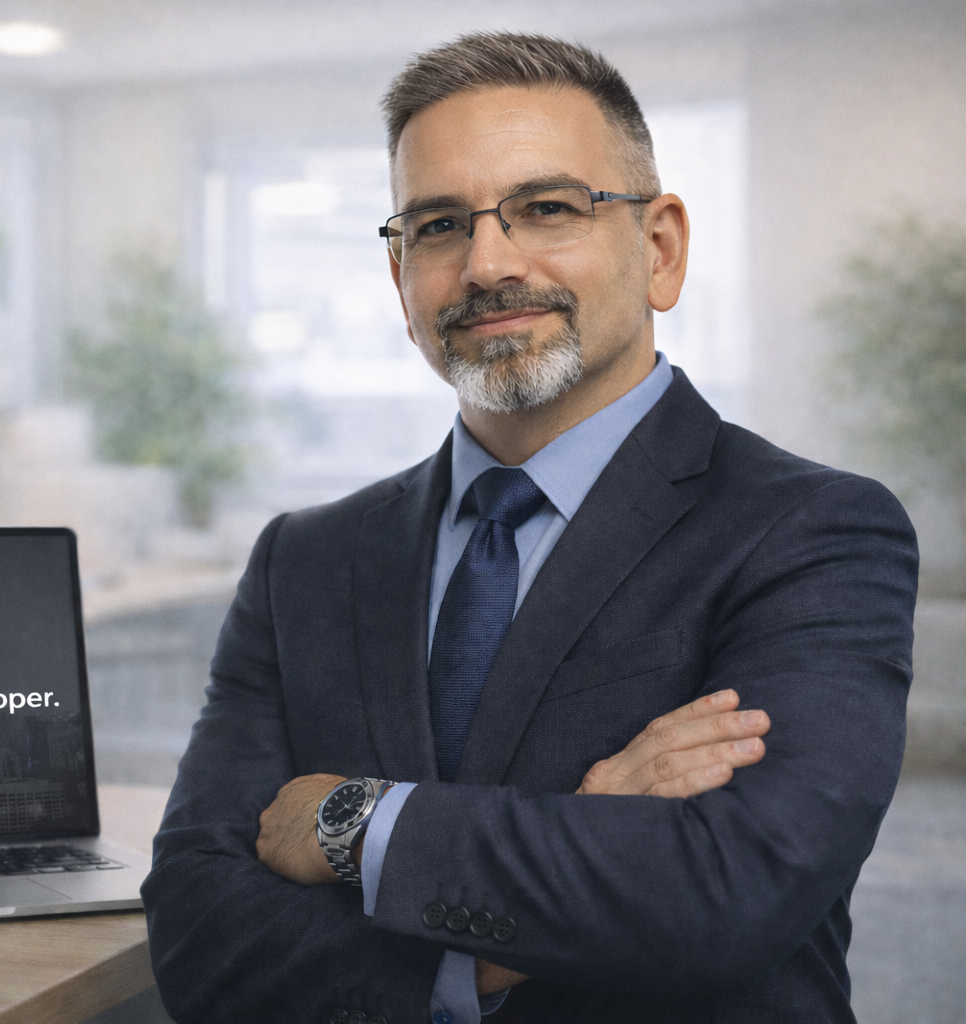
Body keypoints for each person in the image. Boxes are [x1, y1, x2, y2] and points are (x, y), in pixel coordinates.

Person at [141, 31, 917, 1024]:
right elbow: (203, 937)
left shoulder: (815, 532)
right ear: (400, 280)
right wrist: (573, 870)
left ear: (661, 248)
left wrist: (357, 821)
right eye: (436, 225)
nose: (486, 263)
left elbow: (731, 893)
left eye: (547, 208)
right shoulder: (305, 558)